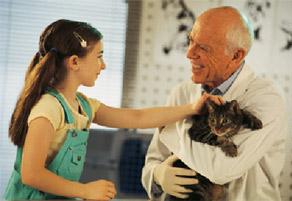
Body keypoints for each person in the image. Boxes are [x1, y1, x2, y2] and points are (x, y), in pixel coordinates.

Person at [4, 19, 222, 201]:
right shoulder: (48, 108)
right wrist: (85, 191)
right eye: (99, 56)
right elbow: (31, 175)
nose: (104, 65)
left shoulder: (84, 105)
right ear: (74, 62)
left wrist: (192, 109)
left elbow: (137, 117)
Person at [141, 6, 287, 201]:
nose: (189, 54)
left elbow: (220, 170)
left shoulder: (266, 99)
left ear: (236, 56)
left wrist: (169, 129)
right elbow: (153, 161)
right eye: (190, 41)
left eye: (204, 48)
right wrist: (158, 176)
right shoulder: (182, 93)